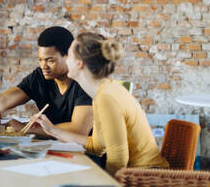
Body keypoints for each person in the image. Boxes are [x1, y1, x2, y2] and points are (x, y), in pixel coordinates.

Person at [31, 32, 169, 175]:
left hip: (144, 176)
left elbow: (118, 158)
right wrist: (52, 129)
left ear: (79, 63)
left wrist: (104, 183)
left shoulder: (105, 97)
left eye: (69, 55)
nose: (65, 59)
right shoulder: (105, 89)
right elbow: (96, 146)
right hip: (139, 173)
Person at [0, 26, 93, 138]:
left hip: (85, 157)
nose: (43, 66)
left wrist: (27, 128)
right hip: (54, 148)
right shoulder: (40, 77)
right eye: (40, 60)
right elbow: (2, 101)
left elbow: (79, 129)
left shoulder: (84, 82)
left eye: (50, 60)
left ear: (68, 56)